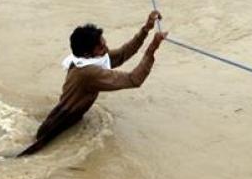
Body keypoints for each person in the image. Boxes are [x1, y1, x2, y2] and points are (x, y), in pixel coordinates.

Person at [17, 12, 167, 157]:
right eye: (101, 47)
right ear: (87, 54)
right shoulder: (89, 72)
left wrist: (146, 28)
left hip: (68, 115)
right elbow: (134, 80)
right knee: (29, 154)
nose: (106, 49)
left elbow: (123, 53)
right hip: (62, 121)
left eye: (104, 43)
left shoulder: (87, 59)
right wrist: (152, 49)